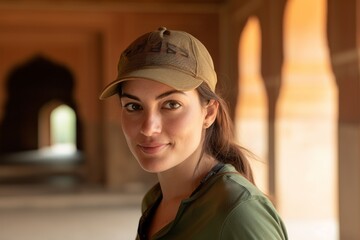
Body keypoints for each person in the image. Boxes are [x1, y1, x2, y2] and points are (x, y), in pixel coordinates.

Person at [100, 27, 288, 240]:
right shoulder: (155, 201)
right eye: (133, 106)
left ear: (208, 113)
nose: (148, 127)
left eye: (171, 104)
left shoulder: (238, 214)